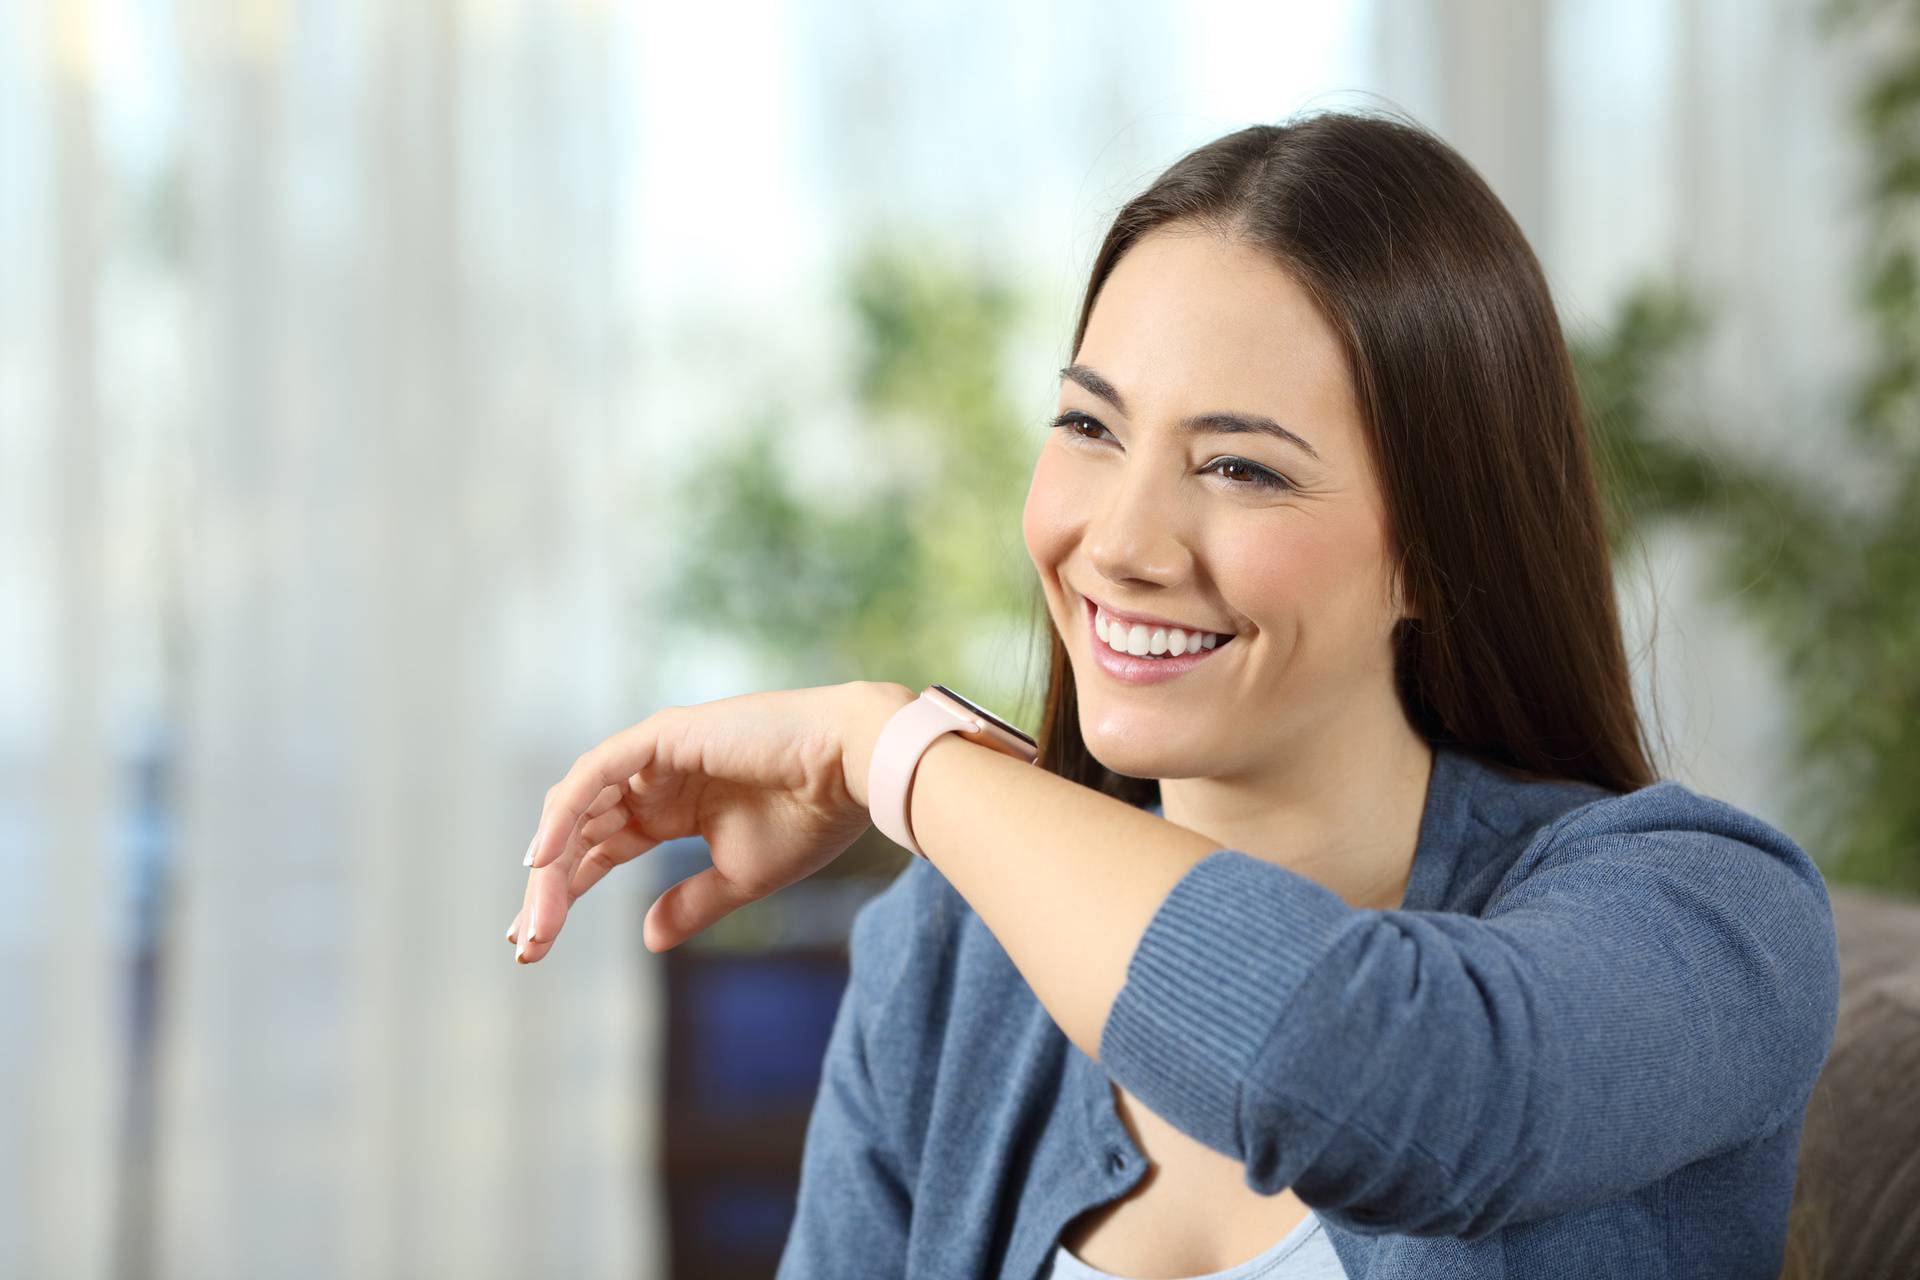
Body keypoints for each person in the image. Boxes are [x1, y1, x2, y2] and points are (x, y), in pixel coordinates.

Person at [511, 109, 1841, 1279]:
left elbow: (1357, 1072)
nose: (1126, 544)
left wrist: (892, 751)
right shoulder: (945, 959)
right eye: (1089, 426)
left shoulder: (1709, 916)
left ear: (1438, 549)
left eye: (1243, 469)